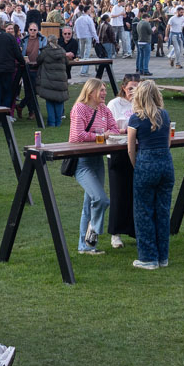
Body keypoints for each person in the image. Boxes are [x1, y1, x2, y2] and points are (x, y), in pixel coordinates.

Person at [124, 80, 175, 270]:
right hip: (166, 163)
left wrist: (137, 165)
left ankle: (148, 258)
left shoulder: (136, 118)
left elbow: (131, 149)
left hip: (146, 163)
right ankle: (163, 256)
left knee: (143, 212)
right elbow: (168, 142)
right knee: (163, 211)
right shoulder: (165, 115)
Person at [67, 79, 118, 255]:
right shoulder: (80, 108)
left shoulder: (103, 109)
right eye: (101, 90)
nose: (104, 93)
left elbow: (115, 129)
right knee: (101, 199)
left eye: (104, 90)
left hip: (97, 160)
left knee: (90, 203)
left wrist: (104, 135)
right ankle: (93, 232)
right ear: (90, 92)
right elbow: (77, 136)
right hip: (82, 161)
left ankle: (86, 247)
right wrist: (101, 136)